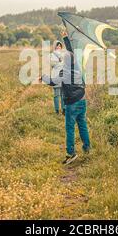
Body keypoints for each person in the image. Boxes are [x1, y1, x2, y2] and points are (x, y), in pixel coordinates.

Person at [40, 31, 90, 165]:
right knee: (82, 124)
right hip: (82, 99)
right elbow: (71, 50)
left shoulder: (63, 72)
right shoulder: (78, 66)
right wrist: (66, 37)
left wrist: (42, 77)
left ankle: (71, 153)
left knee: (70, 128)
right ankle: (87, 147)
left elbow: (52, 81)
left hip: (71, 103)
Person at [50, 40, 65, 115]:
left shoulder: (63, 55)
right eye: (57, 46)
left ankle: (64, 109)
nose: (59, 47)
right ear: (55, 47)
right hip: (56, 76)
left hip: (63, 76)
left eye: (60, 46)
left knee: (63, 94)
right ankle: (57, 110)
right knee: (56, 94)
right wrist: (60, 62)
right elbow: (53, 65)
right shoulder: (52, 55)